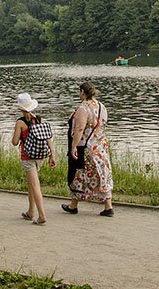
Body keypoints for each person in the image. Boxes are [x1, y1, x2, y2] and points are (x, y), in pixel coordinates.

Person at [61, 81, 114, 217]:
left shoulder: (83, 108)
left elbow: (79, 129)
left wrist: (73, 146)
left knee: (80, 174)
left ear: (83, 92)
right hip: (100, 146)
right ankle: (108, 206)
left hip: (86, 147)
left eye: (79, 92)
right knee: (102, 174)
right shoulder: (102, 107)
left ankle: (74, 206)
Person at [11, 92, 55, 226]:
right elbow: (48, 138)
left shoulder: (20, 122)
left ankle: (42, 215)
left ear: (20, 108)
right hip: (40, 155)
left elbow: (14, 142)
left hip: (27, 157)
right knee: (31, 184)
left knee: (35, 185)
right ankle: (31, 211)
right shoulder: (40, 119)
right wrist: (52, 155)